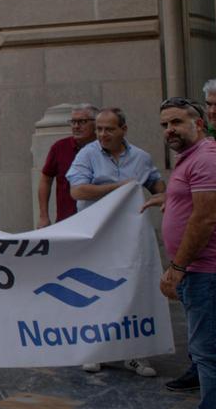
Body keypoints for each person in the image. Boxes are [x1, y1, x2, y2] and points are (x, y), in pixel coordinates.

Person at [149, 98, 216, 409]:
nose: (170, 130)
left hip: (206, 271)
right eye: (165, 124)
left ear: (198, 123)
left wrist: (177, 268)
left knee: (209, 354)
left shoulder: (206, 157)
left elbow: (206, 218)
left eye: (177, 122)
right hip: (200, 271)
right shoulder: (192, 157)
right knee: (208, 351)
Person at [67, 107, 164, 376]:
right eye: (99, 129)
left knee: (132, 291)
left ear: (124, 129)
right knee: (95, 293)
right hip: (97, 237)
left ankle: (134, 354)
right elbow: (78, 190)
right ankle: (95, 351)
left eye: (109, 129)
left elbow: (157, 185)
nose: (102, 134)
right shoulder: (87, 155)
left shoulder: (141, 158)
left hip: (130, 238)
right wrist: (119, 187)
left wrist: (166, 198)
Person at [38, 104, 97, 227]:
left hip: (98, 220)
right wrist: (43, 216)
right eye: (73, 122)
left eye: (82, 122)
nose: (76, 126)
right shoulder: (59, 147)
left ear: (96, 124)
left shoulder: (104, 149)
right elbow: (45, 180)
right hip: (66, 221)